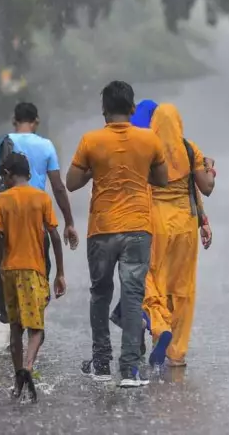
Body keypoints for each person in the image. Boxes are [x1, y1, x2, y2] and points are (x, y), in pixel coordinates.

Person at [66, 80, 168, 388]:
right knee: (133, 295)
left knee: (100, 294)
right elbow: (162, 179)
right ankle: (130, 369)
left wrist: (97, 167)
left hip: (102, 230)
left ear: (104, 111)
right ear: (133, 108)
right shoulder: (149, 139)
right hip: (138, 228)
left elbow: (72, 182)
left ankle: (101, 363)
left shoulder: (90, 140)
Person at [0, 152, 66, 403]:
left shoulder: (2, 200)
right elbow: (55, 237)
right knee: (36, 328)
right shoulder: (41, 198)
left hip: (8, 271)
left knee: (15, 327)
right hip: (34, 271)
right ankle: (28, 367)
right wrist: (59, 272)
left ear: (7, 174)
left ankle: (18, 378)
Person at [140, 103, 216, 368]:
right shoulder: (189, 148)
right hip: (186, 223)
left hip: (156, 222)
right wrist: (210, 170)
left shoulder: (147, 147)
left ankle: (160, 328)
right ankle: (176, 353)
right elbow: (203, 188)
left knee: (151, 279)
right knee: (182, 288)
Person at [0, 102, 78, 325]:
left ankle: (8, 311)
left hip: (8, 218)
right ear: (36, 121)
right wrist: (69, 221)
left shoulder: (5, 143)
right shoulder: (46, 146)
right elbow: (58, 187)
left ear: (14, 120)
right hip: (36, 221)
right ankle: (35, 309)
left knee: (4, 263)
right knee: (39, 266)